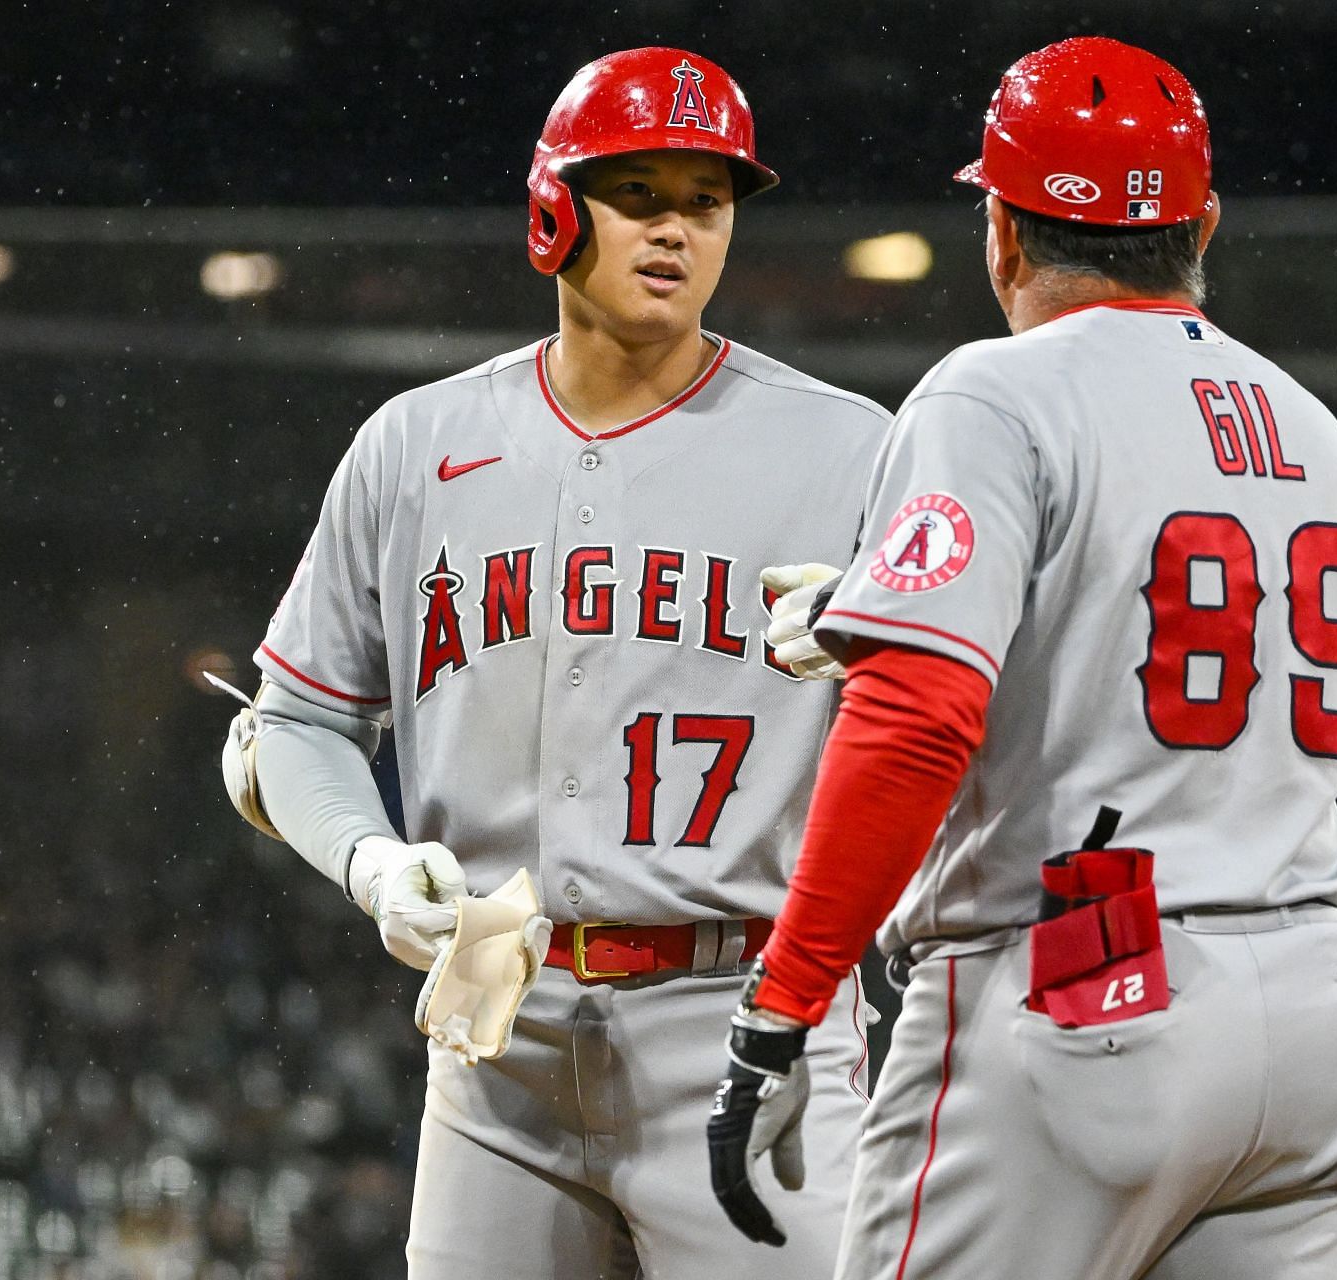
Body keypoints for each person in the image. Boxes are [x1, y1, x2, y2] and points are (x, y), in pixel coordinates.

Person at [707, 36, 1337, 1279]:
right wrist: (869, 609)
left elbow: (918, 716)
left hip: (1092, 988)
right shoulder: (1316, 430)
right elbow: (1145, 635)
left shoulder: (994, 393)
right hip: (1322, 1006)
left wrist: (784, 1001)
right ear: (1203, 223)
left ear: (1003, 234)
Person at [219, 47, 888, 1279]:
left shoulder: (854, 453)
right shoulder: (415, 445)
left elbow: (980, 720)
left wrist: (893, 651)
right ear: (554, 209)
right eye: (640, 193)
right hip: (495, 1039)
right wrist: (370, 862)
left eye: (708, 198)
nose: (677, 228)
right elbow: (289, 722)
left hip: (753, 1026)